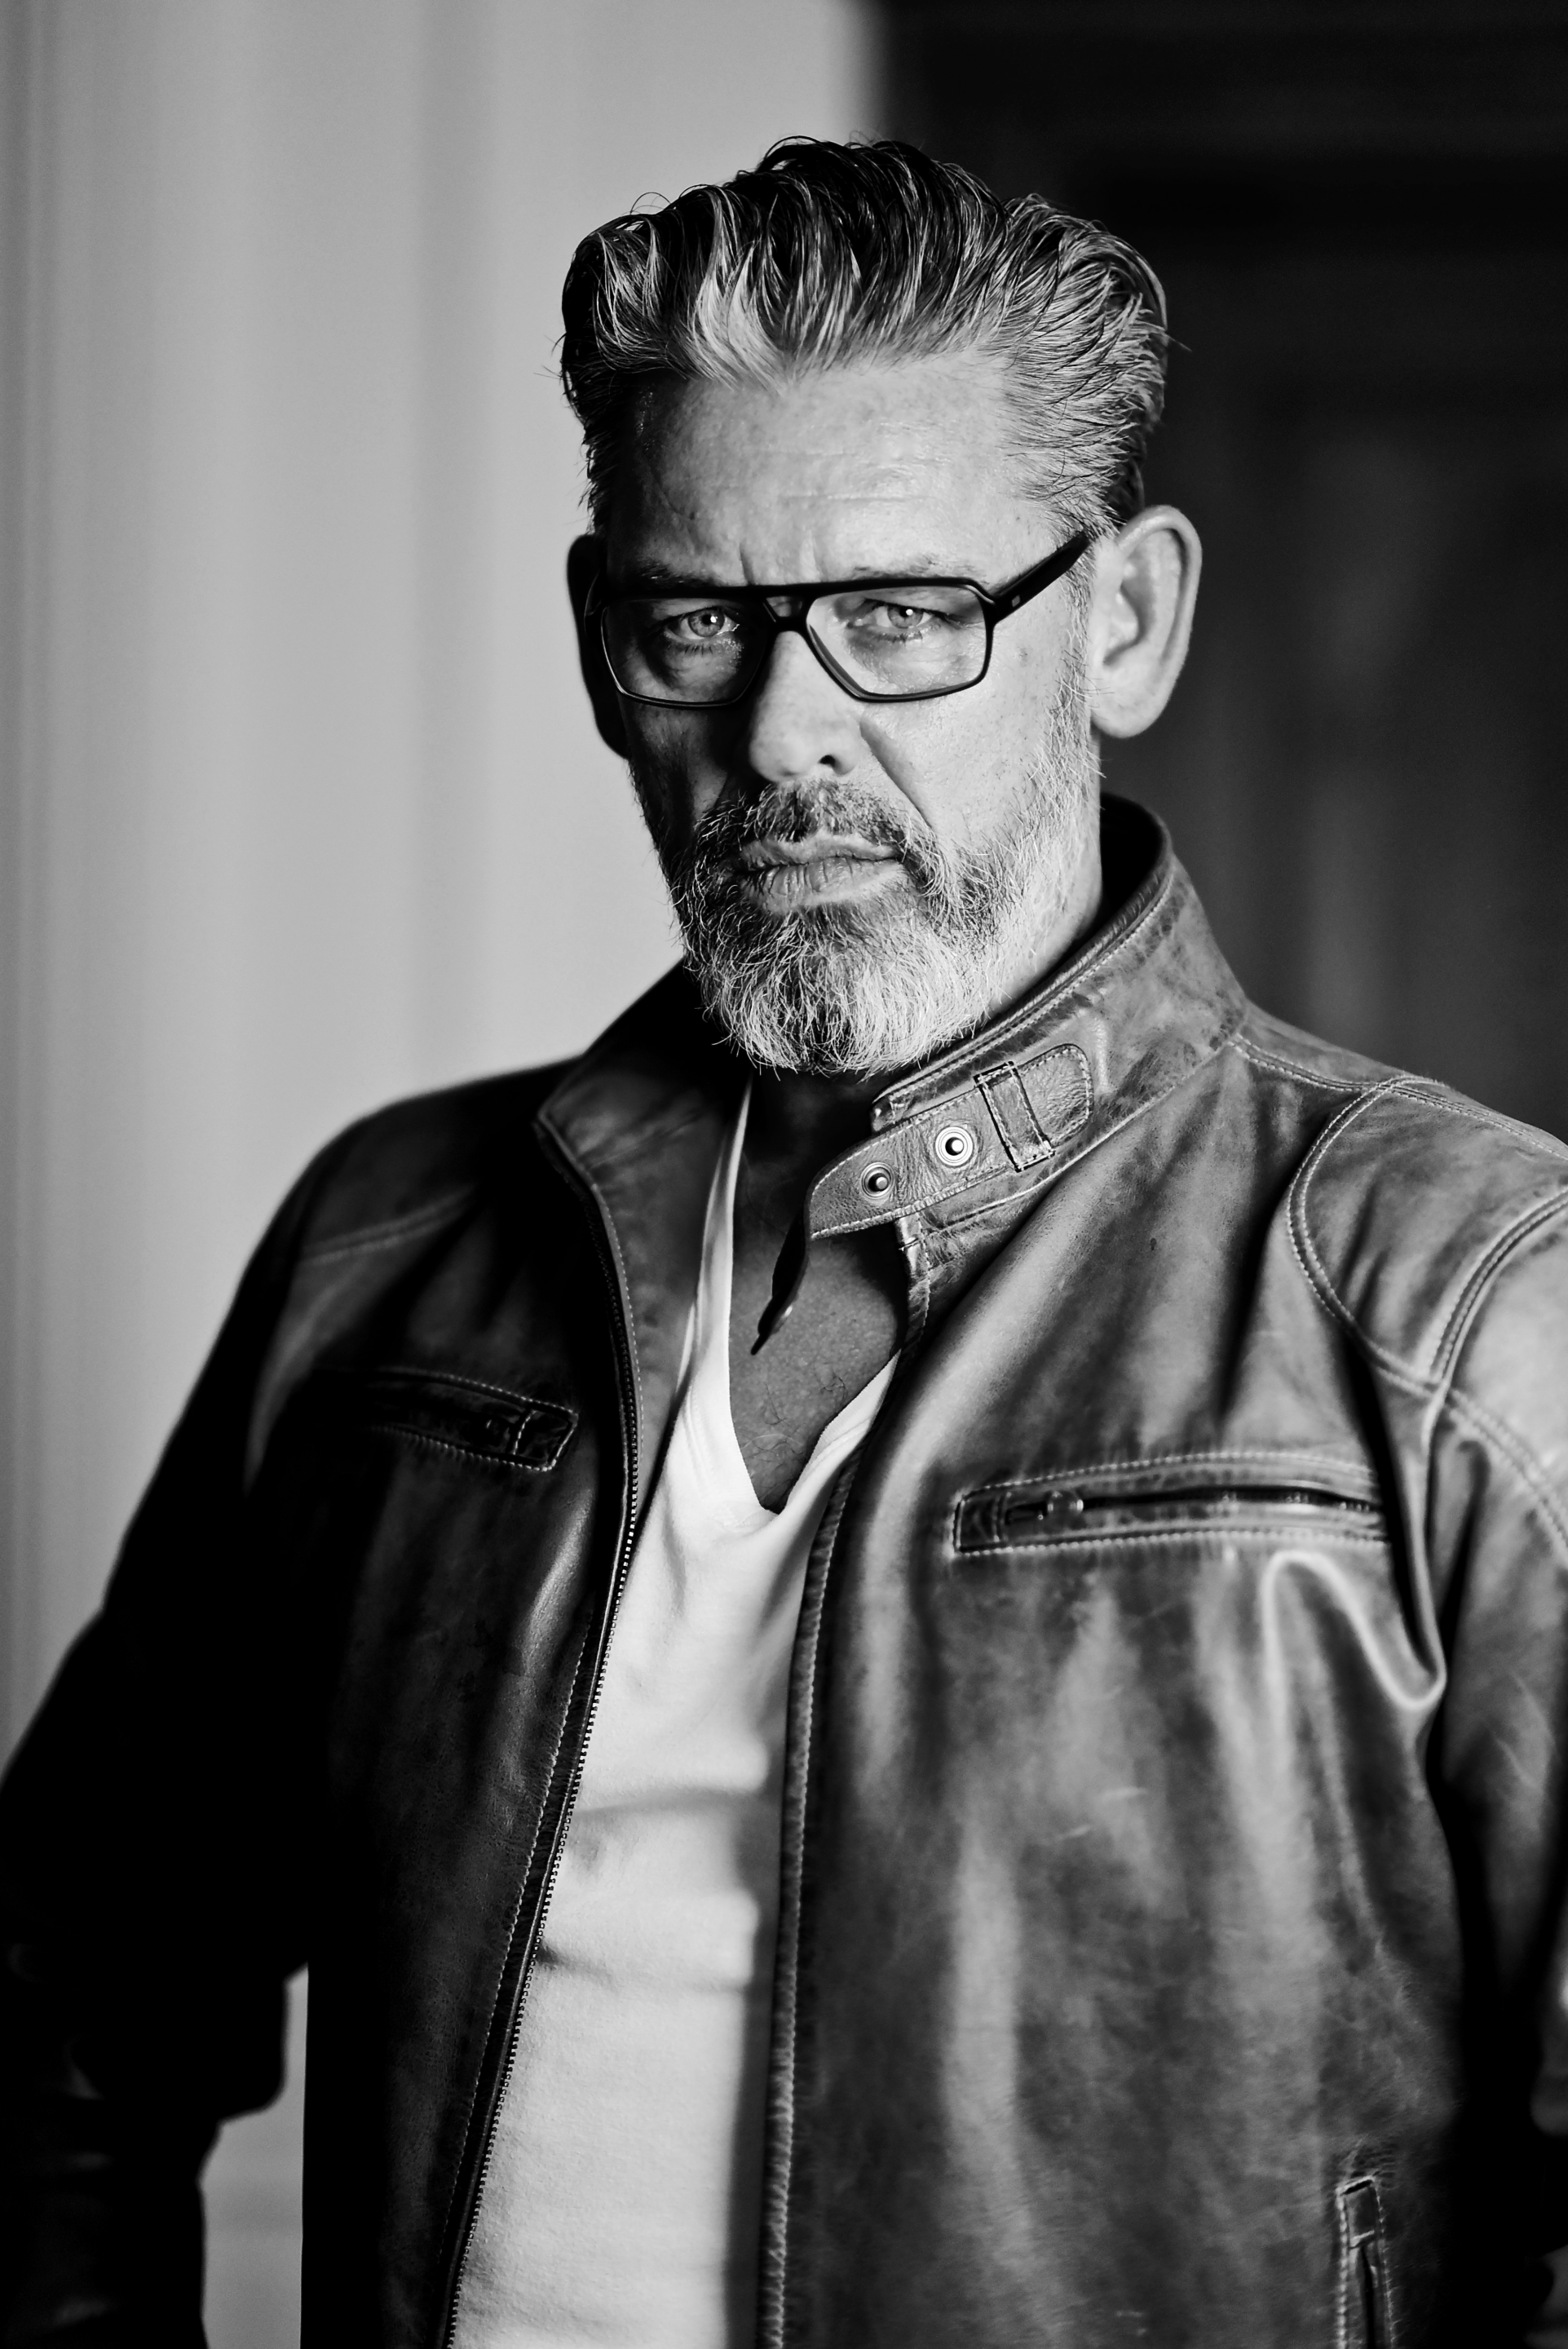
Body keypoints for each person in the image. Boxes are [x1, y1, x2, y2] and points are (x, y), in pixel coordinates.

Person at [3, 135, 1567, 2349]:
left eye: (904, 616)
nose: (783, 729)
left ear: (1125, 622)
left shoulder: (1472, 1301)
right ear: (599, 642)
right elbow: (59, 2020)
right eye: (697, 624)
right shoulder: (388, 1249)